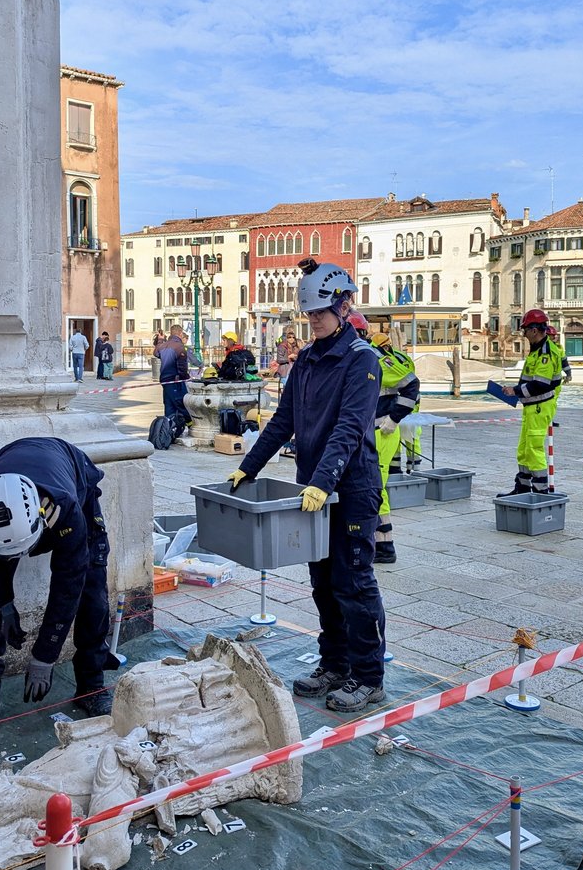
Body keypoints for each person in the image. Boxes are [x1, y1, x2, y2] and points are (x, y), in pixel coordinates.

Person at [227, 259, 386, 714]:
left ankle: (368, 676)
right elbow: (283, 422)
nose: (313, 320)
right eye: (309, 313)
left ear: (342, 305)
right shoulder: (309, 361)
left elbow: (350, 428)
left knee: (352, 582)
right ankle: (334, 663)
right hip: (314, 490)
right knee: (321, 582)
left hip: (350, 489)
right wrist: (248, 467)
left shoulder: (362, 361)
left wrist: (322, 481)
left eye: (321, 312)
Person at [0, 437, 118, 744]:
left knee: (93, 594)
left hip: (71, 470)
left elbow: (67, 586)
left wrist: (44, 655)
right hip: (16, 463)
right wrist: (4, 605)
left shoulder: (65, 508)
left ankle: (92, 684)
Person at [368, 332, 421, 564]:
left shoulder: (380, 358)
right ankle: (375, 541)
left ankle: (385, 546)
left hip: (383, 431)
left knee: (376, 487)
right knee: (373, 486)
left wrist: (395, 417)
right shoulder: (382, 355)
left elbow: (412, 385)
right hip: (376, 430)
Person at [499, 309, 564, 496]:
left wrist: (516, 391)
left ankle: (540, 491)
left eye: (525, 329)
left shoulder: (545, 353)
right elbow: (530, 381)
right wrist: (514, 391)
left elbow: (540, 384)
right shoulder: (536, 351)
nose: (524, 334)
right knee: (524, 448)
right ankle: (522, 487)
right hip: (531, 407)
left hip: (540, 407)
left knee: (534, 449)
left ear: (535, 330)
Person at [153, 324, 190, 423]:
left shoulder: (163, 345)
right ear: (181, 333)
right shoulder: (179, 346)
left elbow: (156, 353)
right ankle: (190, 425)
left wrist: (160, 340)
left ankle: (169, 428)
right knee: (181, 404)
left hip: (164, 379)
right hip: (176, 379)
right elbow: (182, 366)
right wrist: (185, 377)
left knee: (169, 405)